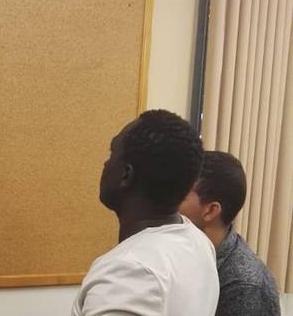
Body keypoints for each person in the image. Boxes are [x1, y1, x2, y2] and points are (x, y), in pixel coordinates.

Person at [72, 110, 219, 316]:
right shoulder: (198, 242)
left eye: (112, 153)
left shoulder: (128, 273)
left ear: (126, 174)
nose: (106, 163)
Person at [179, 151, 281, 316]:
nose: (169, 202)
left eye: (180, 196)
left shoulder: (244, 285)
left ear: (211, 210)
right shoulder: (188, 253)